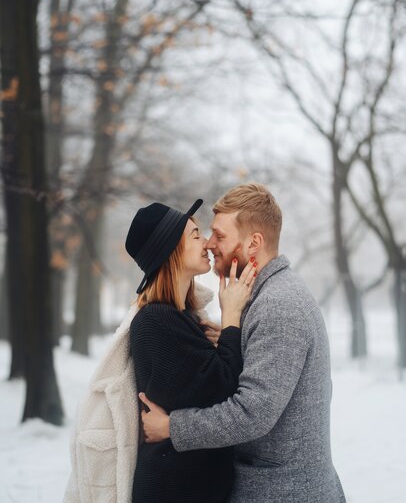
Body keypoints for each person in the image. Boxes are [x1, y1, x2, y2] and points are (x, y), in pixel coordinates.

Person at [140, 183, 346, 503]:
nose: (210, 244)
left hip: (284, 492)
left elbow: (252, 414)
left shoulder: (278, 305)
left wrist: (172, 428)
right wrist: (231, 338)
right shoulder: (264, 298)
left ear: (254, 243)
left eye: (220, 236)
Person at [125, 198, 257, 503]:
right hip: (174, 489)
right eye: (196, 235)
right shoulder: (156, 321)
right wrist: (232, 316)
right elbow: (225, 388)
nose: (208, 244)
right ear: (171, 250)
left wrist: (223, 336)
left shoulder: (183, 319)